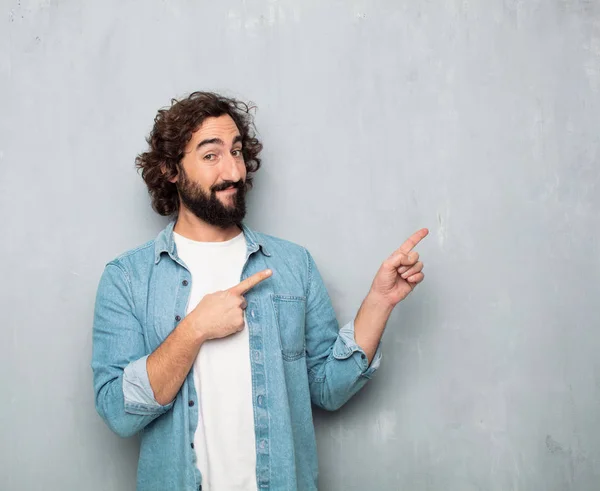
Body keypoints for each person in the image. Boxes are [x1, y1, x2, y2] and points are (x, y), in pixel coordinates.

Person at [92, 91, 428, 491]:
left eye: (236, 151)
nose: (233, 171)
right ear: (171, 170)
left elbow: (328, 389)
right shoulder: (127, 278)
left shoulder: (291, 264)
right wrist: (194, 328)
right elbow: (118, 411)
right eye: (211, 155)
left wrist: (379, 302)